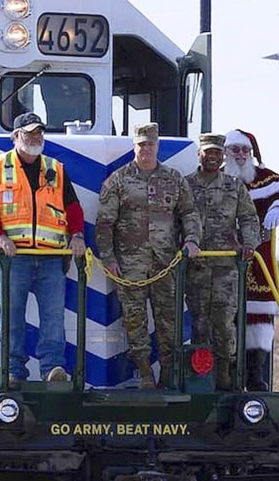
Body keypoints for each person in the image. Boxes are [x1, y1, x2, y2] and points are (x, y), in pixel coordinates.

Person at [0, 112, 87, 384]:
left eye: (39, 132)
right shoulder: (0, 166)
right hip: (15, 258)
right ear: (15, 137)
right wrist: (0, 237)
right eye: (29, 133)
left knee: (53, 318)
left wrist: (77, 235)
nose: (35, 138)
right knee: (12, 317)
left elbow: (72, 207)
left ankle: (53, 369)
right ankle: (13, 371)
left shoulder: (55, 168)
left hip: (51, 257)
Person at [95, 122, 201, 389]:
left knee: (169, 321)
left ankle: (169, 374)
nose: (146, 149)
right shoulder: (118, 180)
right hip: (130, 266)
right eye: (141, 144)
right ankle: (144, 373)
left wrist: (191, 239)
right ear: (135, 146)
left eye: (150, 144)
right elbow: (105, 222)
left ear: (157, 146)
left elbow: (189, 213)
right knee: (135, 321)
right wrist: (108, 258)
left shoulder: (174, 179)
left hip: (166, 263)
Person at [224, 129, 279, 391]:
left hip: (258, 261)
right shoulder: (217, 178)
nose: (241, 155)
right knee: (224, 320)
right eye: (235, 150)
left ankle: (255, 375)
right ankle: (228, 377)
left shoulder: (266, 179)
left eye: (245, 150)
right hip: (221, 261)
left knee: (258, 322)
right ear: (226, 151)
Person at [185, 133, 260, 390]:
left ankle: (225, 372)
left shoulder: (234, 187)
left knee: (225, 323)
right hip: (196, 268)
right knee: (200, 323)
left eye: (217, 154)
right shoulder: (186, 185)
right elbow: (177, 219)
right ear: (200, 155)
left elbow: (250, 219)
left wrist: (249, 244)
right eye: (208, 153)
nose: (213, 158)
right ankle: (200, 378)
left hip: (226, 268)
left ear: (222, 157)